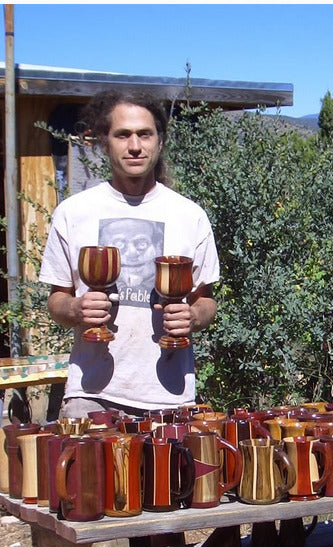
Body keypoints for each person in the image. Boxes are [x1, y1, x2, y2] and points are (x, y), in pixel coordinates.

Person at [39, 90, 219, 418]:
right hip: (89, 396)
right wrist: (76, 309)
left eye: (144, 134)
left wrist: (192, 317)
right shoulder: (73, 213)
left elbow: (206, 301)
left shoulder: (189, 216)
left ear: (159, 141)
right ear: (104, 143)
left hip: (168, 398)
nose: (134, 145)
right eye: (122, 135)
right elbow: (56, 300)